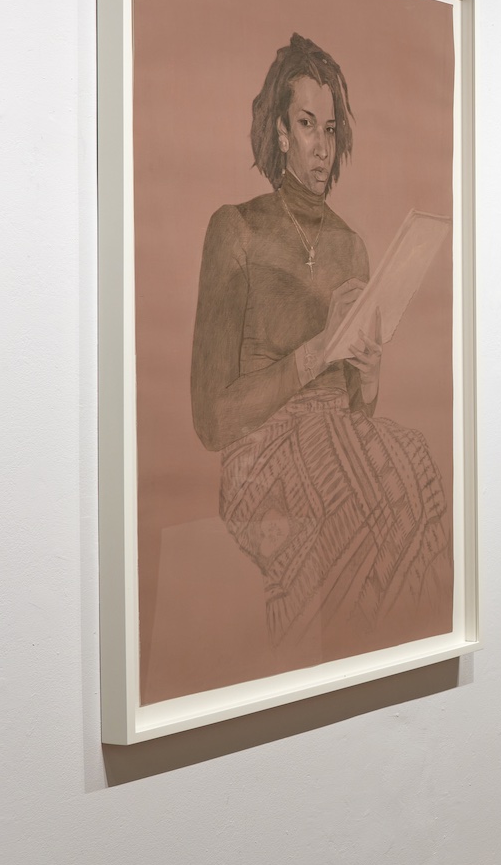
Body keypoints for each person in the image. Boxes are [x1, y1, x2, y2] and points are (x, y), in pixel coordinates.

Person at [190, 33, 450, 645]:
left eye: (331, 130)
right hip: (263, 453)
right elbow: (210, 420)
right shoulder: (236, 231)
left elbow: (358, 412)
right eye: (307, 125)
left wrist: (369, 372)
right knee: (350, 498)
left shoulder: (351, 246)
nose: (322, 147)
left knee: (414, 467)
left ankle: (398, 654)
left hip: (338, 438)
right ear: (280, 132)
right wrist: (314, 352)